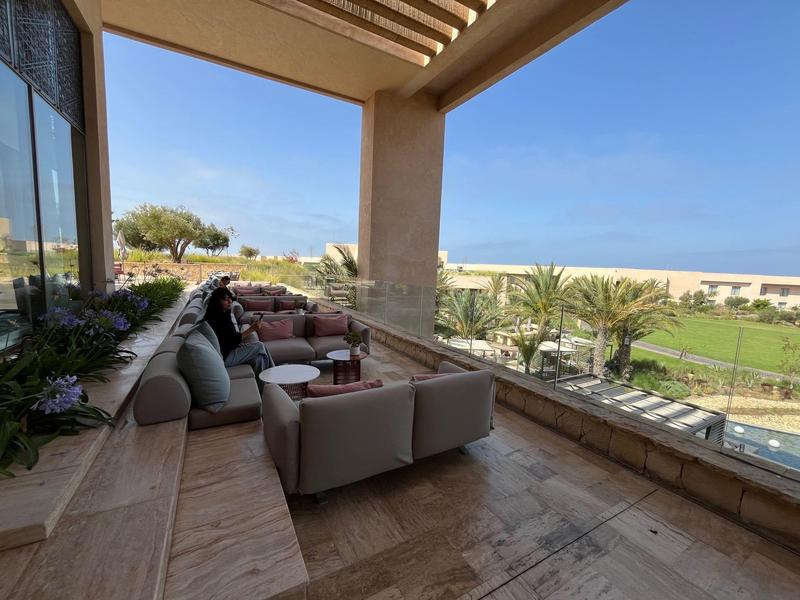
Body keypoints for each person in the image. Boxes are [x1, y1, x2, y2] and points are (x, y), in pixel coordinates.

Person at [202, 287, 274, 382]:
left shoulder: (224, 314)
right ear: (217, 301)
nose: (229, 301)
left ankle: (264, 386)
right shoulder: (215, 320)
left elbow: (230, 340)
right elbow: (232, 341)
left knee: (259, 358)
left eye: (230, 298)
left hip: (229, 351)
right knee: (260, 345)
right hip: (224, 357)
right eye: (225, 299)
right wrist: (252, 329)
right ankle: (274, 376)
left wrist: (241, 345)